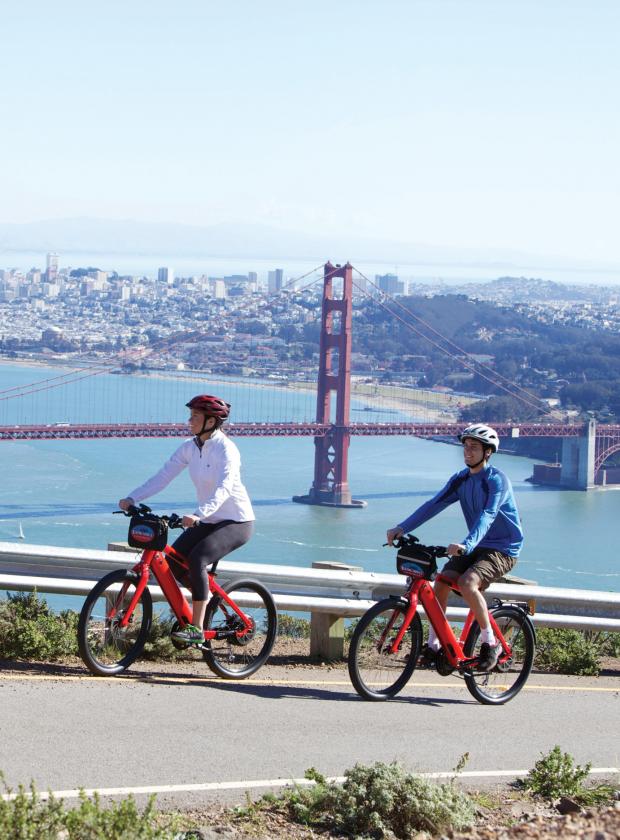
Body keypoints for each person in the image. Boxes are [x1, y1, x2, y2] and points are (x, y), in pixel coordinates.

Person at [386, 423, 523, 672]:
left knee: (468, 583)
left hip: (503, 548)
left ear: (488, 452)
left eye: (474, 447)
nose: (467, 451)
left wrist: (466, 544)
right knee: (440, 582)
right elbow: (433, 505)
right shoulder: (461, 480)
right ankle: (435, 645)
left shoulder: (496, 480)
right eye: (466, 446)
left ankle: (490, 644)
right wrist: (402, 527)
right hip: (475, 544)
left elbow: (488, 515)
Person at [119, 394, 254, 645]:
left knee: (197, 558)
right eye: (190, 415)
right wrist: (132, 498)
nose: (189, 420)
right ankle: (208, 604)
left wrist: (198, 514)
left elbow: (223, 489)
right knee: (173, 562)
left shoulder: (227, 450)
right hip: (208, 519)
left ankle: (197, 628)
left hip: (236, 521)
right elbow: (163, 476)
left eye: (195, 416)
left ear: (212, 421)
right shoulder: (190, 447)